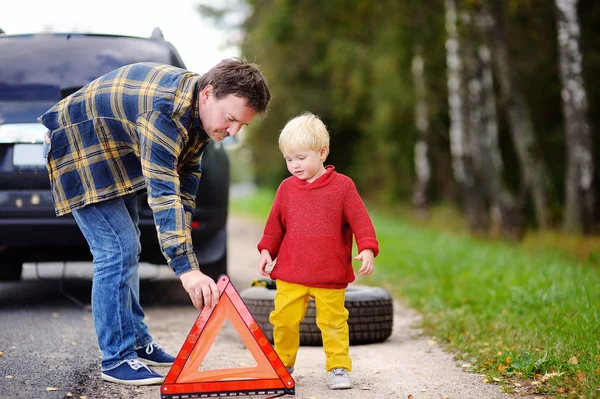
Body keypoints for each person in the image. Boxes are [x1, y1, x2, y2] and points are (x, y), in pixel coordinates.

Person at [38, 59, 271, 386]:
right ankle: (117, 358)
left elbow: (186, 182)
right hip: (76, 145)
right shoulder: (164, 114)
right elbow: (163, 194)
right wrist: (186, 269)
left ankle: (136, 340)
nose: (232, 131)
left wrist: (186, 253)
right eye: (231, 119)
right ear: (207, 94)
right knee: (117, 249)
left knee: (128, 242)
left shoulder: (201, 116)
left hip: (113, 150)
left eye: (241, 126)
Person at [257, 112, 379, 390]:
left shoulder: (343, 187)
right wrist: (267, 251)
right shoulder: (286, 189)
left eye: (301, 158)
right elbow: (274, 226)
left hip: (329, 273)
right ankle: (282, 363)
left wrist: (368, 248)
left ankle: (338, 367)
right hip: (291, 271)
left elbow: (361, 222)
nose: (294, 165)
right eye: (289, 159)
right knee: (283, 320)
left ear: (322, 152)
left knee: (334, 323)